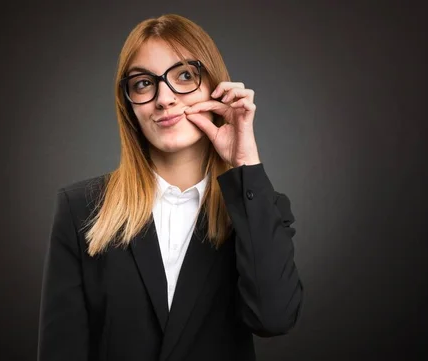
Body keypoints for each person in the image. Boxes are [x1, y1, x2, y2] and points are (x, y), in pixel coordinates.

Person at [37, 13, 303, 361]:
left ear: (215, 87)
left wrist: (245, 165)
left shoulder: (259, 207)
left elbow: (274, 318)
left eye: (185, 76)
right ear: (130, 106)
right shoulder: (81, 209)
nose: (164, 98)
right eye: (144, 84)